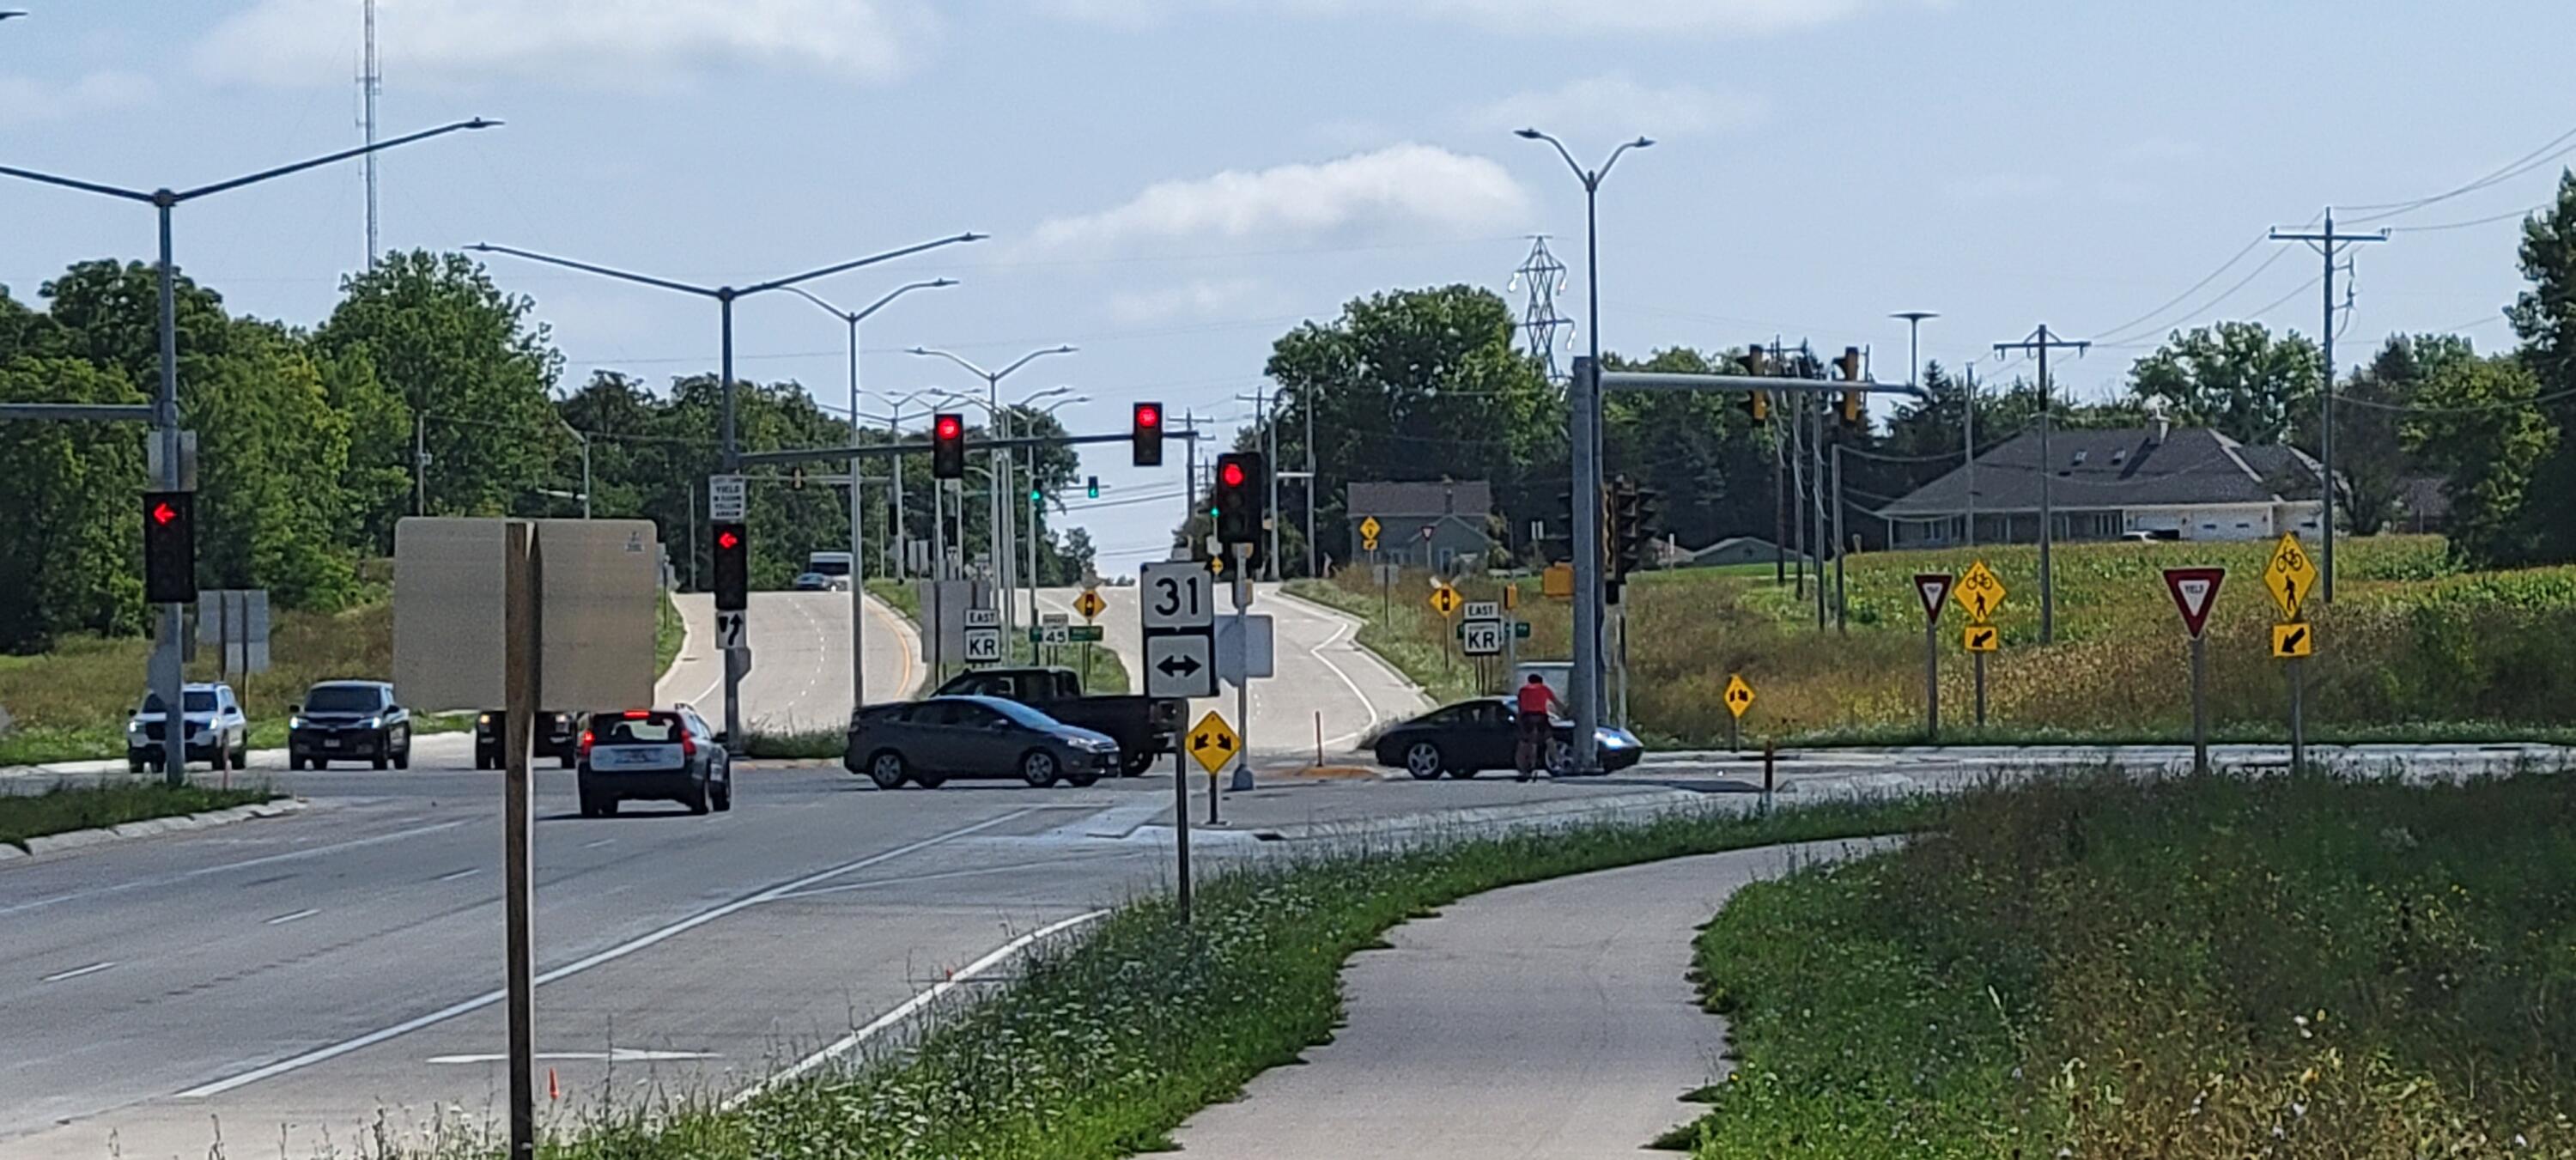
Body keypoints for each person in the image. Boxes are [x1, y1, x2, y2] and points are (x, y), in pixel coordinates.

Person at [1513, 673, 1564, 781]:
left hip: (1527, 717)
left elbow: (1520, 706)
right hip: (1541, 717)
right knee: (1549, 739)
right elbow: (1555, 702)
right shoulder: (1544, 689)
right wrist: (1565, 711)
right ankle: (1556, 763)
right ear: (1540, 682)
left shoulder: (1523, 690)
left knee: (1525, 742)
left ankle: (1524, 769)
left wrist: (1519, 720)